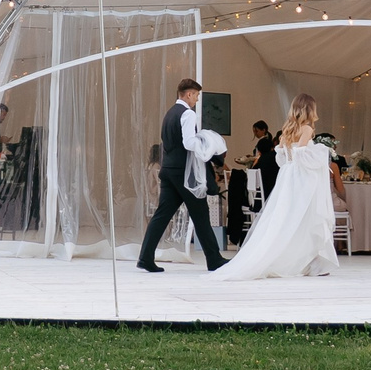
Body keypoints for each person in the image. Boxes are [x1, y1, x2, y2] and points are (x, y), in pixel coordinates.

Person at [214, 95, 340, 280]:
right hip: (302, 178)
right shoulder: (306, 128)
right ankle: (310, 262)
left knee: (287, 218)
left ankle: (303, 260)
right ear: (309, 110)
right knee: (307, 217)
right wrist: (321, 151)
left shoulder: (288, 129)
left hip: (288, 177)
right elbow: (302, 153)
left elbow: (281, 155)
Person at [137, 78, 226, 273]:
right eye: (196, 95)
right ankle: (214, 259)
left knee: (161, 215)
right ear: (188, 94)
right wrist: (206, 145)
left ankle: (145, 257)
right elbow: (188, 143)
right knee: (201, 215)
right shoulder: (187, 114)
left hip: (168, 170)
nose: (196, 100)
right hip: (183, 173)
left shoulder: (169, 114)